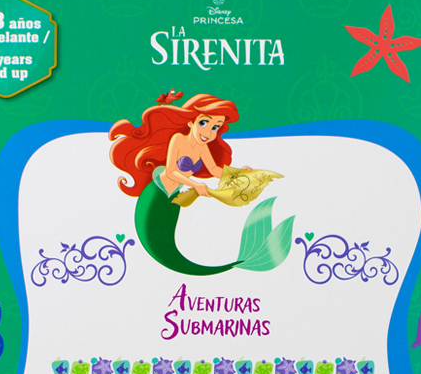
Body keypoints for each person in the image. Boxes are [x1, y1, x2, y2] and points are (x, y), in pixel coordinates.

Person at [109, 94, 292, 276]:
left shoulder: (203, 147)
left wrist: (239, 172)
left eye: (215, 127)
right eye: (204, 123)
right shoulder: (178, 139)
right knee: (155, 241)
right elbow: (171, 171)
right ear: (191, 122)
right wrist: (195, 184)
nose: (209, 133)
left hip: (174, 195)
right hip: (157, 193)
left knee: (166, 244)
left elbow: (214, 170)